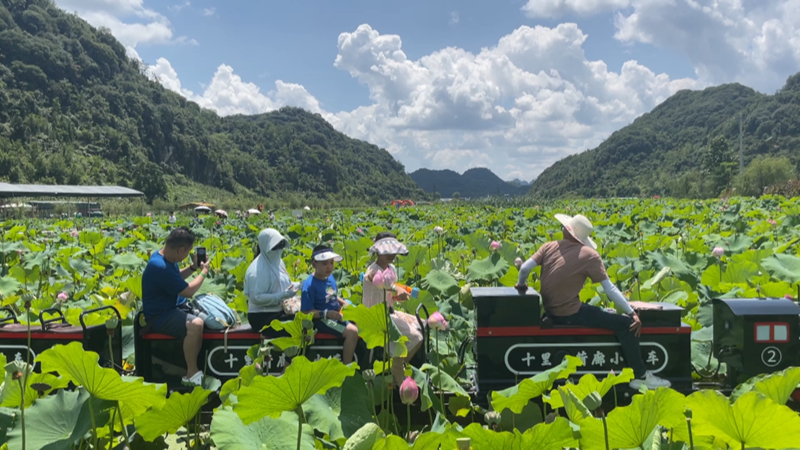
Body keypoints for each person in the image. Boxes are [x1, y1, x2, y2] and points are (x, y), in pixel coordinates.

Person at [515, 213, 671, 390]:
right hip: (570, 314)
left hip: (550, 312)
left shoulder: (548, 246)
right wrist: (631, 313)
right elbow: (610, 289)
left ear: (565, 230)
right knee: (626, 325)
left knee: (602, 312)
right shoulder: (589, 255)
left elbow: (525, 268)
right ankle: (641, 376)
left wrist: (521, 285)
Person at [141, 227, 210, 386]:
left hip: (173, 308)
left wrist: (193, 267)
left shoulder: (164, 257)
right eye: (188, 251)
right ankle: (191, 373)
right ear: (180, 250)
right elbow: (188, 291)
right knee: (196, 325)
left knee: (207, 316)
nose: (188, 254)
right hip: (160, 316)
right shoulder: (160, 266)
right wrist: (203, 272)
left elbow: (175, 278)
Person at [363, 232, 424, 386]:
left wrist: (399, 297)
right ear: (377, 251)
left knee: (423, 324)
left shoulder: (391, 268)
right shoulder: (372, 270)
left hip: (389, 311)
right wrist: (397, 288)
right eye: (386, 251)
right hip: (376, 316)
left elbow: (387, 293)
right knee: (416, 337)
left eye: (393, 251)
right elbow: (379, 281)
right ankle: (397, 370)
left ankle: (400, 363)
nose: (391, 255)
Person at [300, 245, 358, 364]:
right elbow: (305, 312)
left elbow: (333, 296)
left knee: (360, 321)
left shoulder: (330, 277)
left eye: (331, 263)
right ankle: (347, 368)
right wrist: (326, 313)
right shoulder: (309, 286)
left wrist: (345, 304)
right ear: (314, 264)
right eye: (325, 264)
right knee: (352, 332)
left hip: (336, 313)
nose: (329, 267)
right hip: (321, 319)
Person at [244, 228, 300, 335]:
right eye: (276, 246)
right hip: (262, 317)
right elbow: (256, 298)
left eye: (282, 245)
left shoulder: (278, 262)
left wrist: (300, 285)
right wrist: (281, 296)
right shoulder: (257, 270)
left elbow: (284, 283)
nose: (279, 249)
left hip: (280, 311)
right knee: (298, 325)